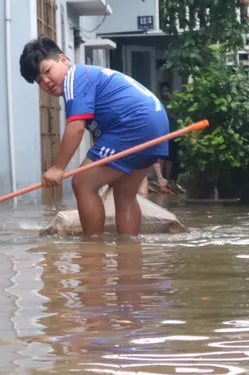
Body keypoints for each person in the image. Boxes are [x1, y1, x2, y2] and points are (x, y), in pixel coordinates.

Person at [19, 37, 170, 237]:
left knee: (83, 183)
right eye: (39, 80)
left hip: (134, 123)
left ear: (64, 60)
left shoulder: (74, 78)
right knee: (124, 193)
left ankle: (93, 248)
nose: (46, 81)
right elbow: (97, 134)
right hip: (156, 125)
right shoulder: (89, 76)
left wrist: (57, 168)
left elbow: (76, 128)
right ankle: (129, 249)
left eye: (47, 71)